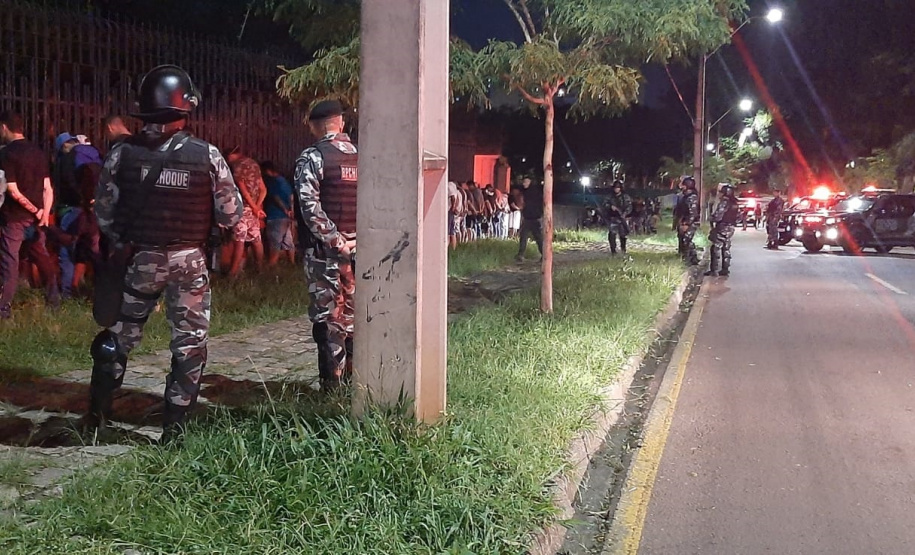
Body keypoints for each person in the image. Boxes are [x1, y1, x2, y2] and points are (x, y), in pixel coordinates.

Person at [85, 65, 243, 440]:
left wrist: (128, 241)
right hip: (189, 260)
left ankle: (97, 419)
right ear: (184, 109)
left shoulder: (122, 153)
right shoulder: (207, 154)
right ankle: (174, 431)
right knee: (189, 343)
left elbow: (104, 211)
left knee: (118, 337)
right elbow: (231, 214)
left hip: (139, 258)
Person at [293, 99, 357, 392]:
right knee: (356, 321)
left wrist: (336, 241)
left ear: (314, 126)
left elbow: (309, 207)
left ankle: (332, 389)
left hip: (326, 256)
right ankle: (357, 385)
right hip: (361, 254)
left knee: (329, 321)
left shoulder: (313, 157)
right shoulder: (364, 157)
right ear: (341, 123)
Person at [0, 111, 60, 320]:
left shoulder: (7, 154)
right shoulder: (38, 152)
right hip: (36, 218)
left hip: (15, 217)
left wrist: (35, 210)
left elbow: (12, 189)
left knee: (10, 260)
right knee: (41, 256)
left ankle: (3, 308)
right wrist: (44, 213)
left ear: (4, 127)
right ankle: (54, 299)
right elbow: (47, 188)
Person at [226, 148, 266, 276]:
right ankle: (260, 269)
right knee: (256, 239)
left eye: (228, 158)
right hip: (253, 211)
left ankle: (232, 273)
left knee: (239, 240)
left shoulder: (237, 166)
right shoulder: (254, 164)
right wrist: (257, 207)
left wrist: (253, 207)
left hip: (242, 209)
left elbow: (242, 188)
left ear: (233, 155)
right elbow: (263, 189)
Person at [261, 161, 296, 266]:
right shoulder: (284, 181)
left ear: (267, 171)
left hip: (275, 216)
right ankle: (292, 263)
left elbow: (276, 197)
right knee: (288, 241)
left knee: (275, 242)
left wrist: (284, 209)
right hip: (286, 217)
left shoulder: (273, 182)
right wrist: (291, 211)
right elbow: (291, 197)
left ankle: (272, 265)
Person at [705, 184, 739, 277]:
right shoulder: (735, 203)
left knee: (715, 248)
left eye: (721, 192)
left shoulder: (724, 203)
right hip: (731, 228)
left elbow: (718, 216)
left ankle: (714, 270)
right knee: (726, 247)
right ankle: (725, 269)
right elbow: (738, 217)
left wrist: (711, 218)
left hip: (722, 227)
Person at [515, 176, 544, 262]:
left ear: (530, 182)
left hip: (534, 218)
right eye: (524, 182)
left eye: (526, 182)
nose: (524, 184)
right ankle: (520, 254)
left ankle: (544, 255)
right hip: (528, 218)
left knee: (537, 237)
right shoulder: (526, 192)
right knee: (524, 236)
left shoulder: (534, 193)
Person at [674, 176, 701, 265]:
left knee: (687, 240)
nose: (680, 185)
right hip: (683, 221)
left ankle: (691, 259)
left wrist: (687, 224)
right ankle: (689, 258)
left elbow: (693, 213)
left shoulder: (691, 197)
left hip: (690, 222)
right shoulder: (684, 196)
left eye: (683, 184)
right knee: (683, 240)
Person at [603, 180, 632, 255]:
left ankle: (623, 248)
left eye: (618, 188)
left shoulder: (625, 197)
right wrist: (610, 207)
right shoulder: (610, 196)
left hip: (622, 217)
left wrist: (624, 214)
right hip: (613, 217)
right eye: (615, 188)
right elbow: (604, 204)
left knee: (623, 235)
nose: (616, 189)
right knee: (612, 234)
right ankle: (613, 250)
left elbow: (629, 206)